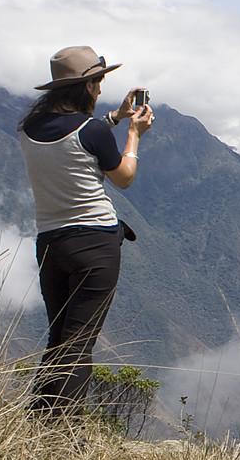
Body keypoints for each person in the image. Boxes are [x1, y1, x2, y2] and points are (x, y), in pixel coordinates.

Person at [17, 46, 153, 418]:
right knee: (79, 343)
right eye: (98, 81)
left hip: (50, 244)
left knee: (60, 337)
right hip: (95, 244)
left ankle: (40, 420)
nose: (100, 88)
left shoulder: (29, 130)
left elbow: (72, 141)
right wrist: (134, 133)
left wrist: (114, 117)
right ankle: (65, 434)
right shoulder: (91, 131)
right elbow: (123, 177)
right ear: (87, 86)